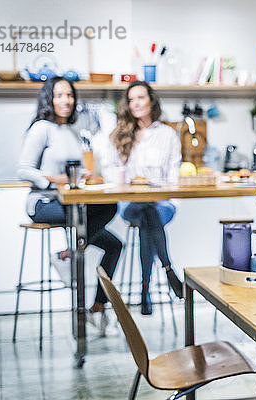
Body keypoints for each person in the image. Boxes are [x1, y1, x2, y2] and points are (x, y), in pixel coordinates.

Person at [18, 76, 122, 335]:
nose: (66, 100)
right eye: (60, 95)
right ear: (49, 99)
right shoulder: (41, 128)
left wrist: (84, 176)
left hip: (71, 204)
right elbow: (24, 170)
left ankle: (97, 307)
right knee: (101, 211)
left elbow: (76, 168)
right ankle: (74, 250)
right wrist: (55, 181)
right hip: (43, 203)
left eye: (70, 95)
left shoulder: (72, 131)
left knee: (114, 241)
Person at [100, 80, 183, 315]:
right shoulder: (121, 134)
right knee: (146, 212)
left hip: (163, 204)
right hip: (131, 205)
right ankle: (168, 271)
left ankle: (145, 293)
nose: (135, 103)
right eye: (131, 99)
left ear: (151, 101)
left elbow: (173, 174)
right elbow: (109, 171)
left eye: (140, 98)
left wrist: (163, 195)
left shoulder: (167, 134)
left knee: (151, 214)